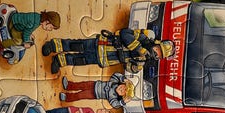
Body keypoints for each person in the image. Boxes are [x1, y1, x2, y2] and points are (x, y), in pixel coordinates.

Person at [41, 27, 175, 73]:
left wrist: (135, 66)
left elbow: (129, 68)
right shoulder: (143, 38)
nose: (156, 53)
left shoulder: (143, 61)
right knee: (76, 45)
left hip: (104, 59)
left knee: (79, 60)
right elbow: (125, 33)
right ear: (156, 43)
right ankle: (54, 45)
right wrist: (139, 48)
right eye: (157, 49)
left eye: (159, 55)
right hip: (101, 44)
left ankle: (59, 61)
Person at [59, 73, 134, 109]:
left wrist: (123, 102)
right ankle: (68, 85)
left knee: (80, 95)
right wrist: (123, 79)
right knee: (81, 85)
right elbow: (115, 75)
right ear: (123, 83)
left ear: (122, 96)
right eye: (124, 86)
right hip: (94, 84)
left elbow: (115, 105)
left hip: (94, 94)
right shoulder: (114, 82)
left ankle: (66, 97)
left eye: (124, 91)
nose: (122, 89)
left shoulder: (113, 97)